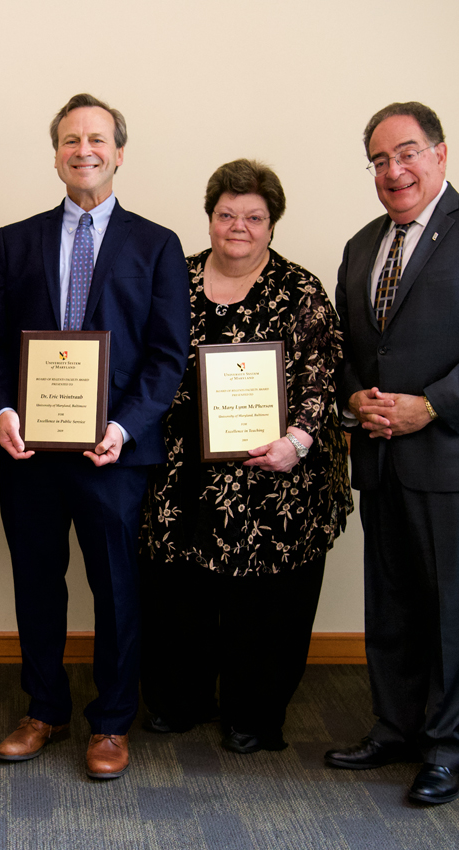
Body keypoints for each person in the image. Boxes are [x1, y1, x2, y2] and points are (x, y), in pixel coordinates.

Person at [0, 93, 189, 780]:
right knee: (37, 583)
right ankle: (44, 708)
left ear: (119, 152)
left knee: (118, 588)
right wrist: (3, 412)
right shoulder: (14, 240)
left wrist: (124, 427)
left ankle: (113, 722)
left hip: (113, 454)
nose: (83, 150)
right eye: (70, 140)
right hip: (29, 451)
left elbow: (167, 356)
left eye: (97, 139)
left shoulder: (157, 244)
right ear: (57, 152)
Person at [327, 102, 459, 805]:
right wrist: (357, 399)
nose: (395, 170)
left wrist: (432, 404)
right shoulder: (362, 245)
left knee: (451, 610)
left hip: (457, 458)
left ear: (441, 155)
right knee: (390, 605)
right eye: (380, 160)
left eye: (408, 152)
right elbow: (353, 353)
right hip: (382, 458)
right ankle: (396, 727)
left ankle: (447, 748)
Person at [137, 159, 353, 755]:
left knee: (267, 606)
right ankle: (180, 700)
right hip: (182, 470)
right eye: (227, 214)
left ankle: (253, 714)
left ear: (272, 224)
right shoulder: (170, 278)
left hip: (275, 470)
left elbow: (320, 376)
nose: (239, 226)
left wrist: (297, 442)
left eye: (253, 217)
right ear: (209, 219)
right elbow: (140, 358)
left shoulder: (299, 288)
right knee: (180, 593)